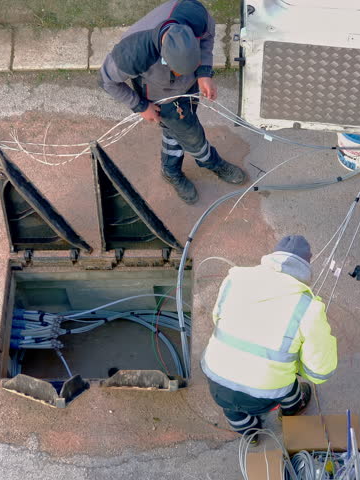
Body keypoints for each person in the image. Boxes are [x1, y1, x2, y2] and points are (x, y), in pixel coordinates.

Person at [98, 0, 247, 205]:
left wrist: (203, 72)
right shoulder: (133, 52)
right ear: (164, 57)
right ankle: (210, 162)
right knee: (192, 136)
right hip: (162, 98)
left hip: (189, 89)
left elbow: (208, 37)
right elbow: (106, 81)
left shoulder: (194, 14)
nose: (181, 75)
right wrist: (141, 106)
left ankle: (170, 170)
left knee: (174, 131)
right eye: (177, 72)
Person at [202, 235, 338, 435]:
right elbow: (320, 372)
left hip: (217, 380)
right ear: (305, 267)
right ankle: (291, 410)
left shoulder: (234, 279)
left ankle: (251, 435)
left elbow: (217, 319)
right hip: (264, 394)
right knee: (287, 383)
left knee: (232, 409)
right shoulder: (308, 307)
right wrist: (296, 366)